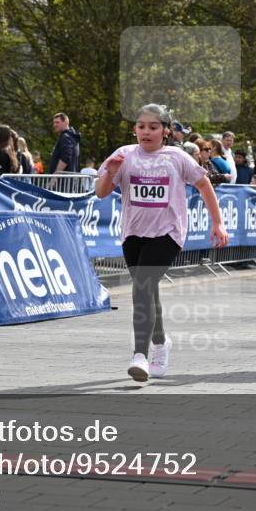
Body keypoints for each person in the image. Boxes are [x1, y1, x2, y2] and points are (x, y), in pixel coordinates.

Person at [95, 103, 229, 382]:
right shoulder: (124, 154)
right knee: (148, 290)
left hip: (168, 233)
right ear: (135, 129)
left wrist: (217, 223)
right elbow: (101, 192)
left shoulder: (177, 157)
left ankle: (139, 355)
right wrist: (110, 171)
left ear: (166, 131)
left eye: (153, 127)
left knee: (142, 287)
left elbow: (204, 185)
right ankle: (160, 342)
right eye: (141, 126)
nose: (146, 132)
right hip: (133, 233)